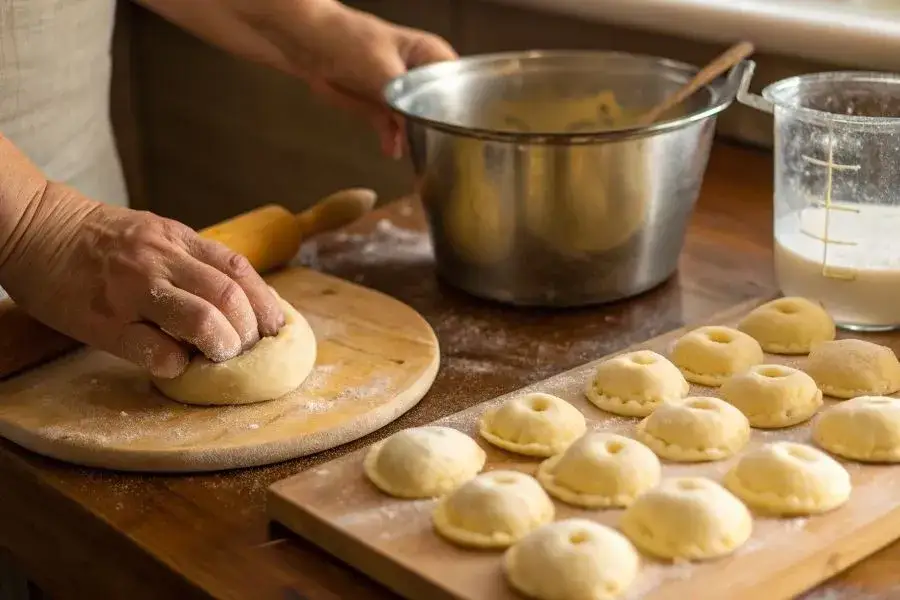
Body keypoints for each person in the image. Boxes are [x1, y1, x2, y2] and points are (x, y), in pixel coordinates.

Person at [0, 0, 456, 379]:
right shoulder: (48, 229)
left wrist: (310, 28)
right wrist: (36, 224)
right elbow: (43, 226)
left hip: (96, 260)